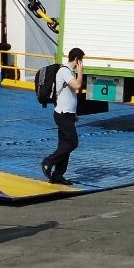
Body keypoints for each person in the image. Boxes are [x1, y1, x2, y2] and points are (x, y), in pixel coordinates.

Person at [41, 48, 85, 186]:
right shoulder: (64, 71)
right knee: (72, 142)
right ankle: (48, 161)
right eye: (81, 60)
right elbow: (77, 86)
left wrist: (74, 113)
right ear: (77, 60)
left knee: (64, 144)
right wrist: (80, 72)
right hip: (62, 114)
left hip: (68, 114)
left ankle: (58, 175)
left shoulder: (69, 72)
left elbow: (70, 95)